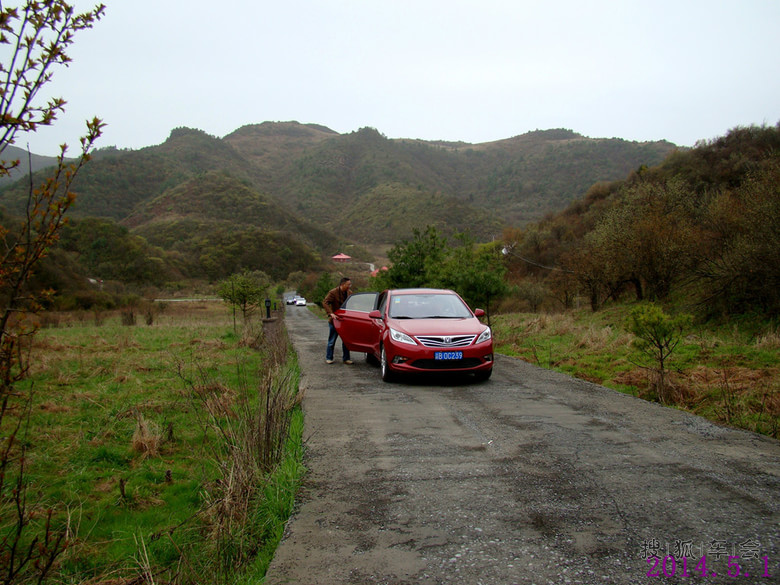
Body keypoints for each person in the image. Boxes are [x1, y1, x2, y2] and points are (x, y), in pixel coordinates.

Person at [323, 277, 353, 364]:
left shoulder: (350, 293)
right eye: (348, 285)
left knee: (346, 341)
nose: (349, 286)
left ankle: (346, 358)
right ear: (342, 284)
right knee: (332, 341)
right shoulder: (333, 292)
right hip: (334, 321)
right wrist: (331, 313)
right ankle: (329, 358)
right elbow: (325, 302)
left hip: (345, 321)